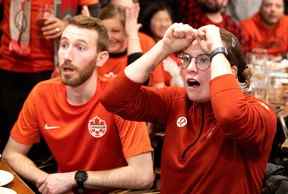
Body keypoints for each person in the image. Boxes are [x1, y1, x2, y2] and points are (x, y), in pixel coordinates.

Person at [100, 23, 277, 194]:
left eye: (204, 60)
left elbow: (230, 114)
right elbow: (113, 99)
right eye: (186, 59)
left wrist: (217, 49)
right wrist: (163, 47)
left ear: (230, 72)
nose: (191, 68)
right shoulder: (176, 101)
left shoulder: (261, 113)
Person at [3, 15, 154, 194]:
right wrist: (45, 179)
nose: (67, 56)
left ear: (101, 58)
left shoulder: (120, 98)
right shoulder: (42, 93)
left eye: (80, 48)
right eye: (64, 45)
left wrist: (75, 178)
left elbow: (144, 175)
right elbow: (11, 154)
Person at [0, 0, 101, 153]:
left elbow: (94, 14)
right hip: (9, 65)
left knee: (47, 140)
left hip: (55, 68)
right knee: (9, 136)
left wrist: (68, 26)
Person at [98, 3, 166, 88]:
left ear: (127, 31)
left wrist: (132, 35)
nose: (108, 37)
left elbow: (158, 86)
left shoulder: (145, 42)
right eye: (103, 31)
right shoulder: (94, 47)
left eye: (115, 31)